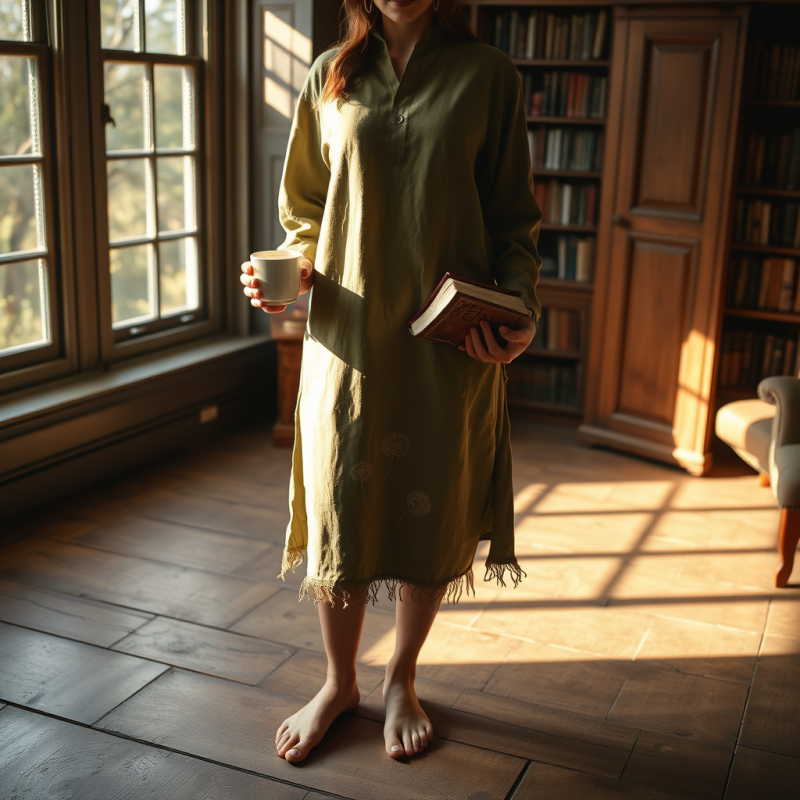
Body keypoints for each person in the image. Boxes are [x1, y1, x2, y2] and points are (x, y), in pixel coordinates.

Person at [240, 0, 541, 765]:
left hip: (449, 344)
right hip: (348, 342)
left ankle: (401, 677)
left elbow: (514, 223)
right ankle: (340, 681)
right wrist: (286, 274)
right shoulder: (328, 76)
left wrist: (520, 312)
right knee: (343, 505)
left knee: (430, 508)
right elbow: (305, 214)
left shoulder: (488, 76)